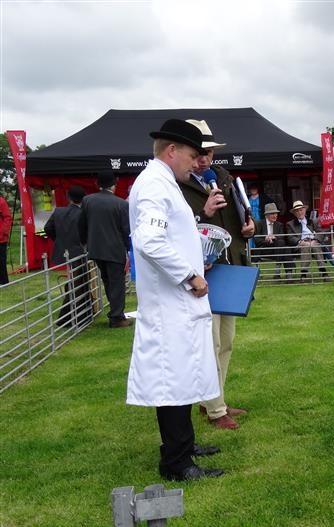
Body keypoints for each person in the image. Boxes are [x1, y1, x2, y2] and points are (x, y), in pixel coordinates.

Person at [127, 118, 223, 481]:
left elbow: (173, 235)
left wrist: (200, 252)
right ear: (172, 150)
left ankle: (184, 445)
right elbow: (150, 241)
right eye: (192, 155)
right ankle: (176, 462)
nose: (196, 163)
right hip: (171, 302)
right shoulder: (155, 184)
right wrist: (189, 275)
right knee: (173, 381)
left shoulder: (164, 182)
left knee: (184, 377)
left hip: (178, 302)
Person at [179, 119, 253, 430]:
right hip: (202, 273)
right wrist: (203, 213)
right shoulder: (178, 184)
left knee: (226, 341)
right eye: (199, 153)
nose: (204, 159)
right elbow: (178, 229)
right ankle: (215, 408)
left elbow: (240, 216)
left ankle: (213, 398)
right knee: (209, 343)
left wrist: (250, 226)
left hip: (230, 268)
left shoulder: (223, 178)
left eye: (208, 152)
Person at [79, 171, 131, 328]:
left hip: (96, 248)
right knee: (117, 283)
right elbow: (126, 230)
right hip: (115, 249)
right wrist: (128, 249)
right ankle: (117, 317)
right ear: (114, 185)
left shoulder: (87, 201)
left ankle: (115, 312)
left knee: (108, 281)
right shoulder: (122, 204)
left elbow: (82, 224)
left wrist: (85, 242)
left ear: (97, 184)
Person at [44, 186, 92, 327]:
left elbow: (48, 228)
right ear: (83, 199)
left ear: (68, 197)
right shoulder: (83, 214)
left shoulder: (59, 212)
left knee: (77, 281)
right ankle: (67, 317)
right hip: (79, 251)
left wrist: (59, 241)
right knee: (78, 283)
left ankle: (82, 313)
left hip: (64, 251)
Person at [285, 200, 329, 280]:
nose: (299, 212)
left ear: (304, 210)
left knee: (314, 245)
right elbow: (290, 237)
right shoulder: (290, 224)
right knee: (306, 245)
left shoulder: (312, 221)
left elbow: (321, 232)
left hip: (313, 240)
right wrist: (299, 241)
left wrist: (316, 239)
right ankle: (304, 273)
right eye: (297, 211)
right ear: (294, 213)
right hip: (301, 243)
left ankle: (323, 271)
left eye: (301, 210)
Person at [254, 202, 292, 279]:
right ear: (266, 215)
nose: (275, 215)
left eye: (276, 213)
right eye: (272, 214)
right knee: (285, 249)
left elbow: (282, 239)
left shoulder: (279, 225)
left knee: (285, 247)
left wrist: (274, 238)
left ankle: (285, 273)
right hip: (264, 248)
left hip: (276, 248)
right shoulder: (259, 224)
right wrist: (266, 239)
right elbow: (257, 240)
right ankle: (285, 272)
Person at [0, 195, 13, 285]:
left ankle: (3, 282)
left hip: (1, 238)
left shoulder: (1, 201)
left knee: (1, 261)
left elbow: (7, 217)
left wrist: (2, 232)